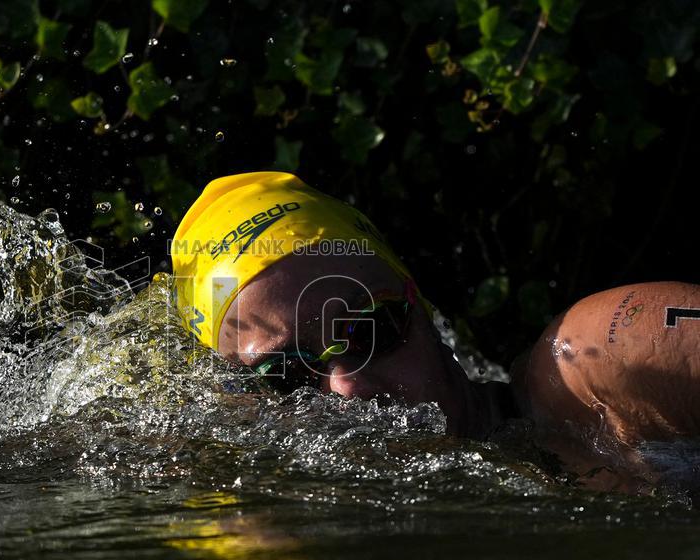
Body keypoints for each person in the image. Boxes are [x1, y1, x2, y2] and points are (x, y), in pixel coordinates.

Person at [170, 172, 700, 492]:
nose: (347, 386)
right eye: (286, 375)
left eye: (368, 329)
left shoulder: (595, 364)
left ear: (416, 302)